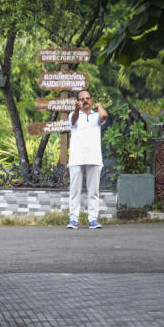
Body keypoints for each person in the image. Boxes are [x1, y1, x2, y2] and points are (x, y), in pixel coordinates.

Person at [66, 89, 108, 229]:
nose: (85, 101)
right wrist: (77, 110)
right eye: (82, 99)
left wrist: (99, 107)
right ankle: (73, 219)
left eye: (88, 98)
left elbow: (104, 116)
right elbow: (73, 121)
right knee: (75, 190)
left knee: (93, 191)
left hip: (94, 157)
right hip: (76, 158)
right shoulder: (73, 114)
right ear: (78, 101)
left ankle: (93, 219)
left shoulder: (96, 116)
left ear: (91, 100)